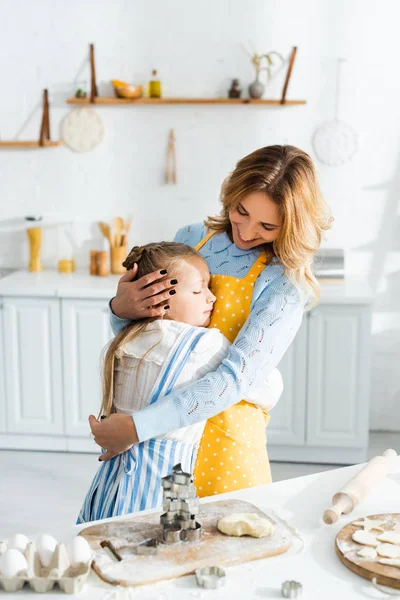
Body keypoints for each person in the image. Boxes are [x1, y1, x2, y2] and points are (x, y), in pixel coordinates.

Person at [90, 145, 332, 496]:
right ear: (230, 195)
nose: (247, 232)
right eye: (241, 211)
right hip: (161, 439)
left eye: (267, 226)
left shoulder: (284, 282)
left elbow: (236, 378)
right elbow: (152, 335)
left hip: (224, 444)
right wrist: (121, 310)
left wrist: (138, 427)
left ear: (293, 225)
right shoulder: (191, 239)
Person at [78, 242, 282, 522]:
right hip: (164, 491)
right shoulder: (205, 344)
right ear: (160, 298)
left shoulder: (126, 338)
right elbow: (269, 390)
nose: (212, 299)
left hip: (110, 486)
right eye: (199, 290)